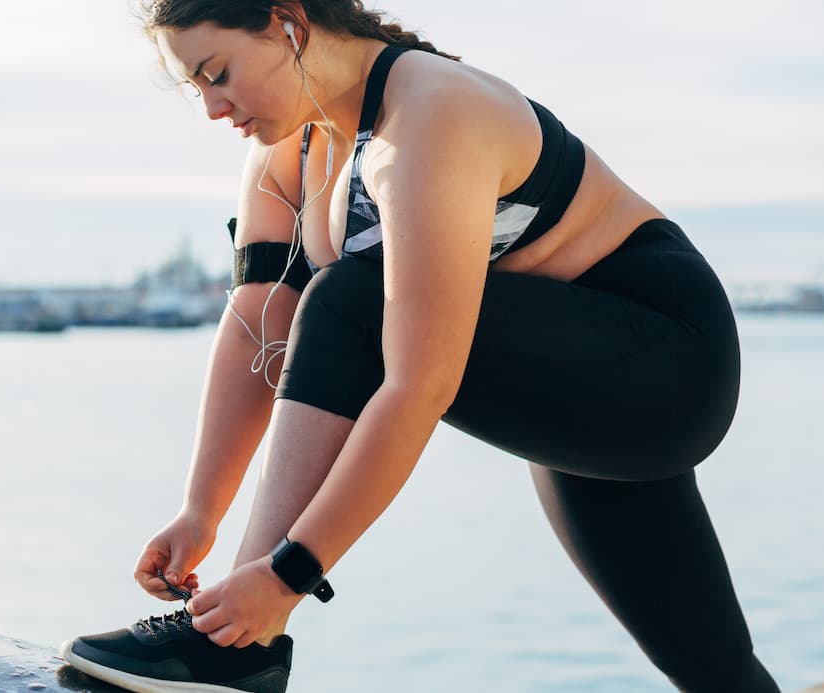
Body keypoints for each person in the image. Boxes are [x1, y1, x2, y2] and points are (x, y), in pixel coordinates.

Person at [60, 2, 781, 691]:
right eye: (197, 88)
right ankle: (232, 642)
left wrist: (282, 579)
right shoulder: (287, 152)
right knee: (714, 668)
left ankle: (232, 648)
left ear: (287, 23)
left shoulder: (429, 117)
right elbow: (259, 321)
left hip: (663, 362)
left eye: (218, 73)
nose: (215, 108)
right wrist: (200, 509)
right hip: (563, 380)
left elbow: (417, 384)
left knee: (345, 297)